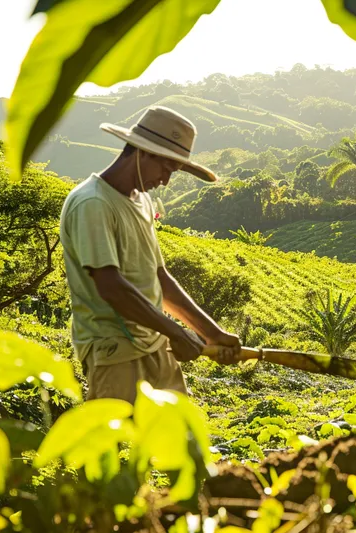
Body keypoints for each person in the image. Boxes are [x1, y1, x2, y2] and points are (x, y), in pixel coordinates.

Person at [59, 105, 241, 404]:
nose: (166, 181)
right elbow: (110, 287)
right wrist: (177, 333)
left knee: (179, 443)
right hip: (114, 351)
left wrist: (211, 332)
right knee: (109, 447)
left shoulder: (141, 200)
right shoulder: (93, 203)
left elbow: (159, 278)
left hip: (155, 344)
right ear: (143, 153)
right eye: (166, 169)